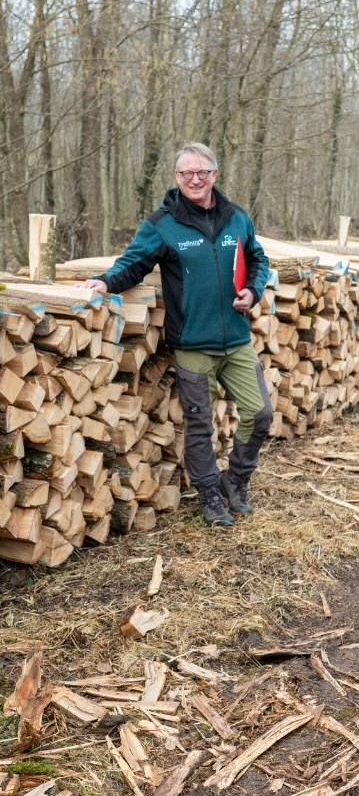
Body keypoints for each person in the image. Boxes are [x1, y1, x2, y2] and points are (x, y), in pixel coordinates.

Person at [81, 142, 272, 527]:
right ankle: (208, 495)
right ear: (177, 178)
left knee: (260, 413)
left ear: (215, 174)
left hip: (235, 340)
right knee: (199, 424)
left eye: (203, 172)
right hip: (193, 345)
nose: (196, 179)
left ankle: (234, 480)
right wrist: (104, 282)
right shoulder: (162, 224)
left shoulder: (237, 218)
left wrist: (253, 290)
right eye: (187, 173)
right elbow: (133, 264)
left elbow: (258, 259)